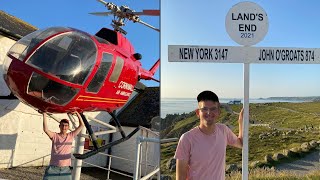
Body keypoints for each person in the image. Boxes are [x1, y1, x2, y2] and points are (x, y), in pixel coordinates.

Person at [174, 90, 243, 180]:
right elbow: (180, 177)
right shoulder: (187, 139)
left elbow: (241, 143)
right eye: (204, 109)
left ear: (218, 112)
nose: (209, 113)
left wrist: (241, 122)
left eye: (213, 109)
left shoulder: (223, 130)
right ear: (198, 113)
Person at [42, 111, 84, 180]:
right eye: (62, 125)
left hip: (66, 169)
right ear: (59, 126)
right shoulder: (54, 136)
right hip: (53, 168)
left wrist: (77, 113)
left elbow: (82, 125)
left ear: (68, 127)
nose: (64, 127)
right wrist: (44, 114)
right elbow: (46, 130)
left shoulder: (71, 135)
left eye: (66, 125)